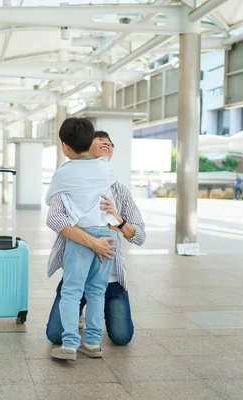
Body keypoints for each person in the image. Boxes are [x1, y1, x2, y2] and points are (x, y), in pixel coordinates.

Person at [46, 130, 146, 348]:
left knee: (122, 338)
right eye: (99, 140)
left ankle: (91, 329)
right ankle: (81, 322)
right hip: (78, 271)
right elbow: (54, 218)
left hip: (111, 279)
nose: (106, 144)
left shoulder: (119, 190)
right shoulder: (70, 183)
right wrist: (94, 243)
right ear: (84, 150)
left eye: (109, 143)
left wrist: (119, 220)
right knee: (55, 334)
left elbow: (139, 236)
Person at [44, 118, 119, 361]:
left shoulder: (63, 173)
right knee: (97, 289)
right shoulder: (106, 168)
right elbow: (104, 163)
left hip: (82, 236)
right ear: (90, 141)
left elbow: (51, 205)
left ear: (64, 146)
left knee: (72, 291)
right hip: (108, 235)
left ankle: (69, 344)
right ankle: (94, 343)